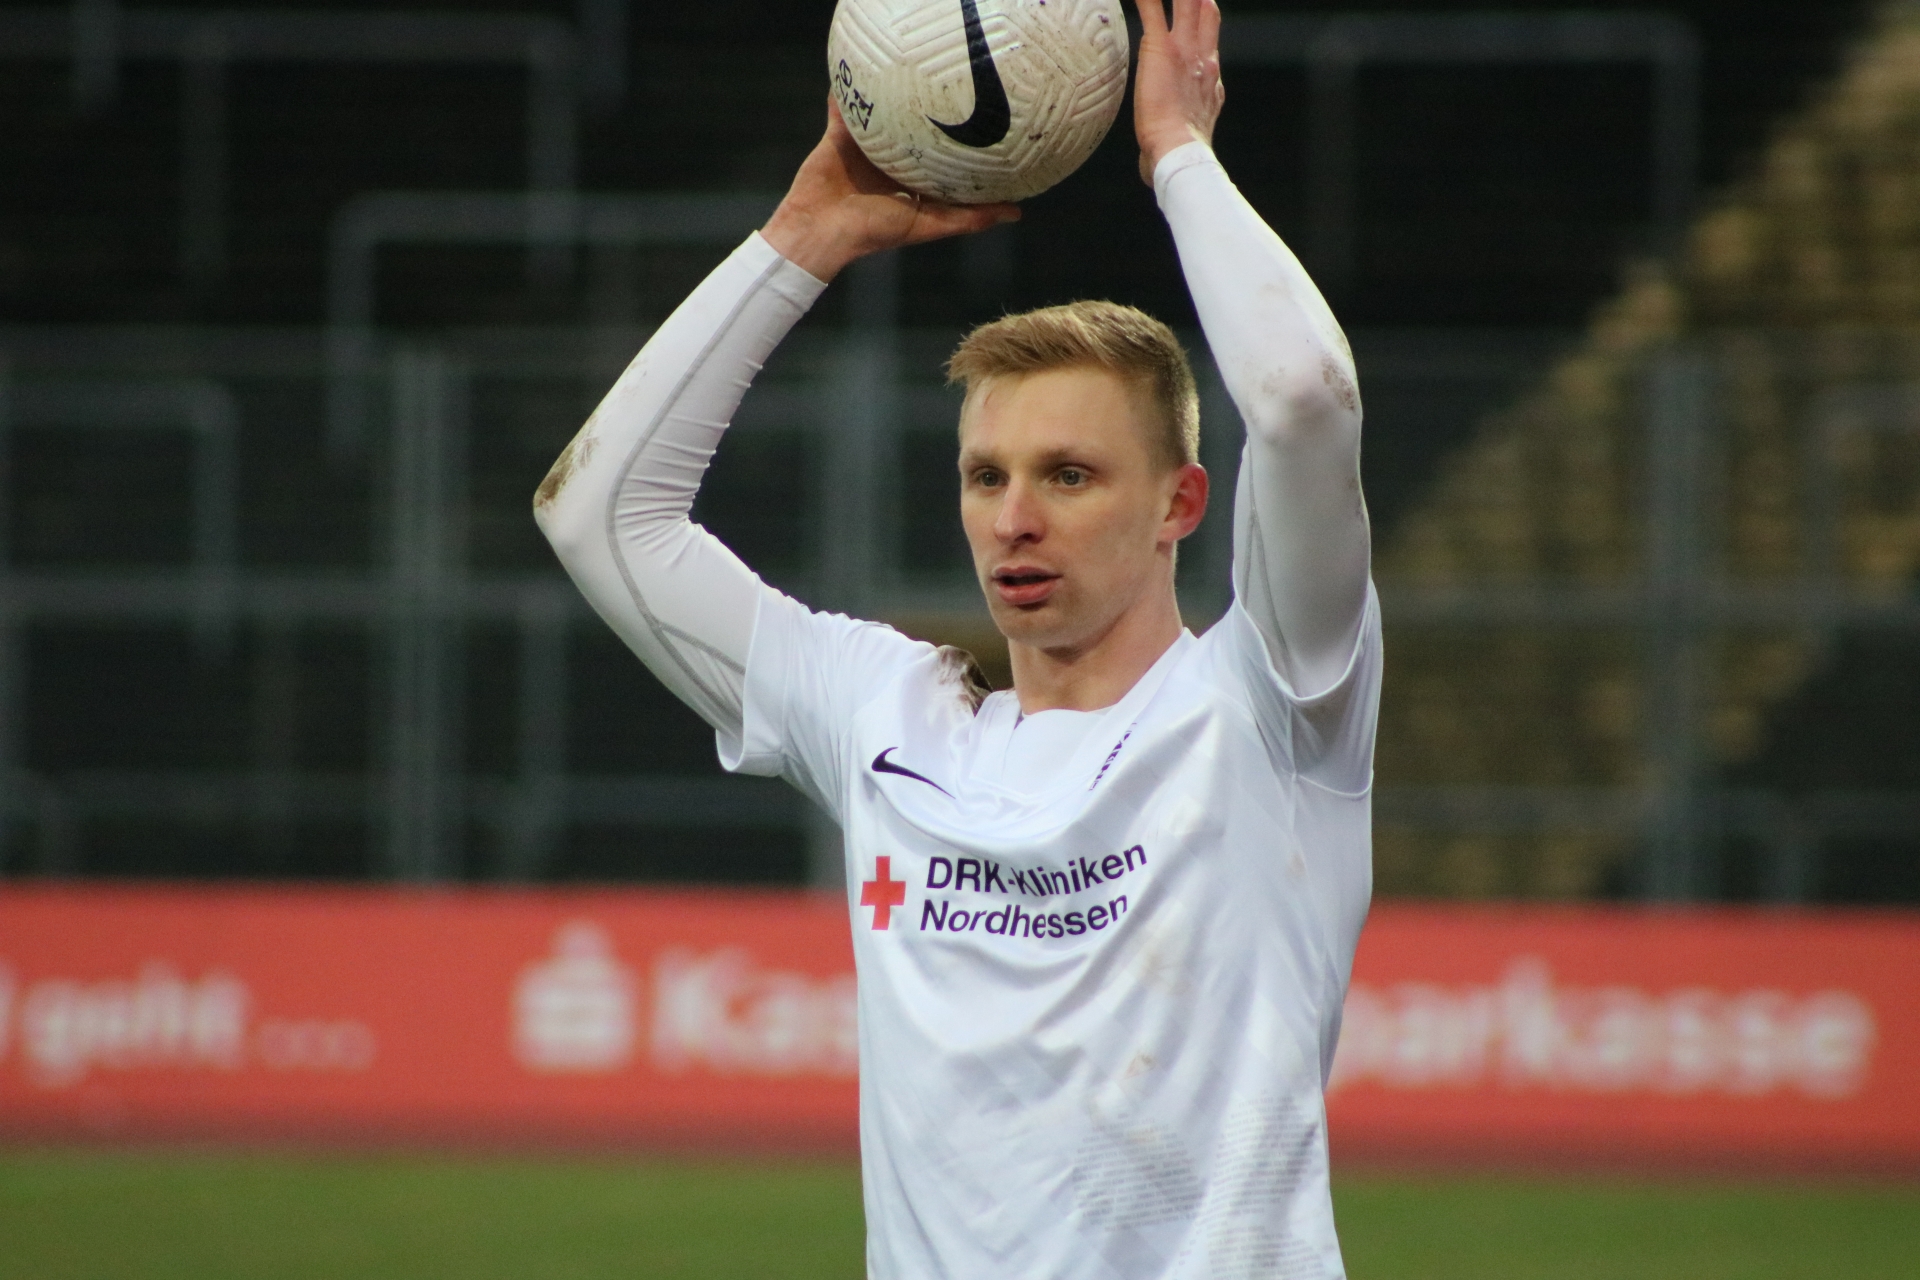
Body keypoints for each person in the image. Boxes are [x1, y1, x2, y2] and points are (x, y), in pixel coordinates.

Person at [535, 0, 1377, 1274]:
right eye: (987, 476)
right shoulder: (887, 718)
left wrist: (1178, 159)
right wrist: (804, 237)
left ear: (1180, 504)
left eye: (1071, 474)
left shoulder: (1271, 705)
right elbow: (598, 514)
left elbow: (1305, 396)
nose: (1015, 518)